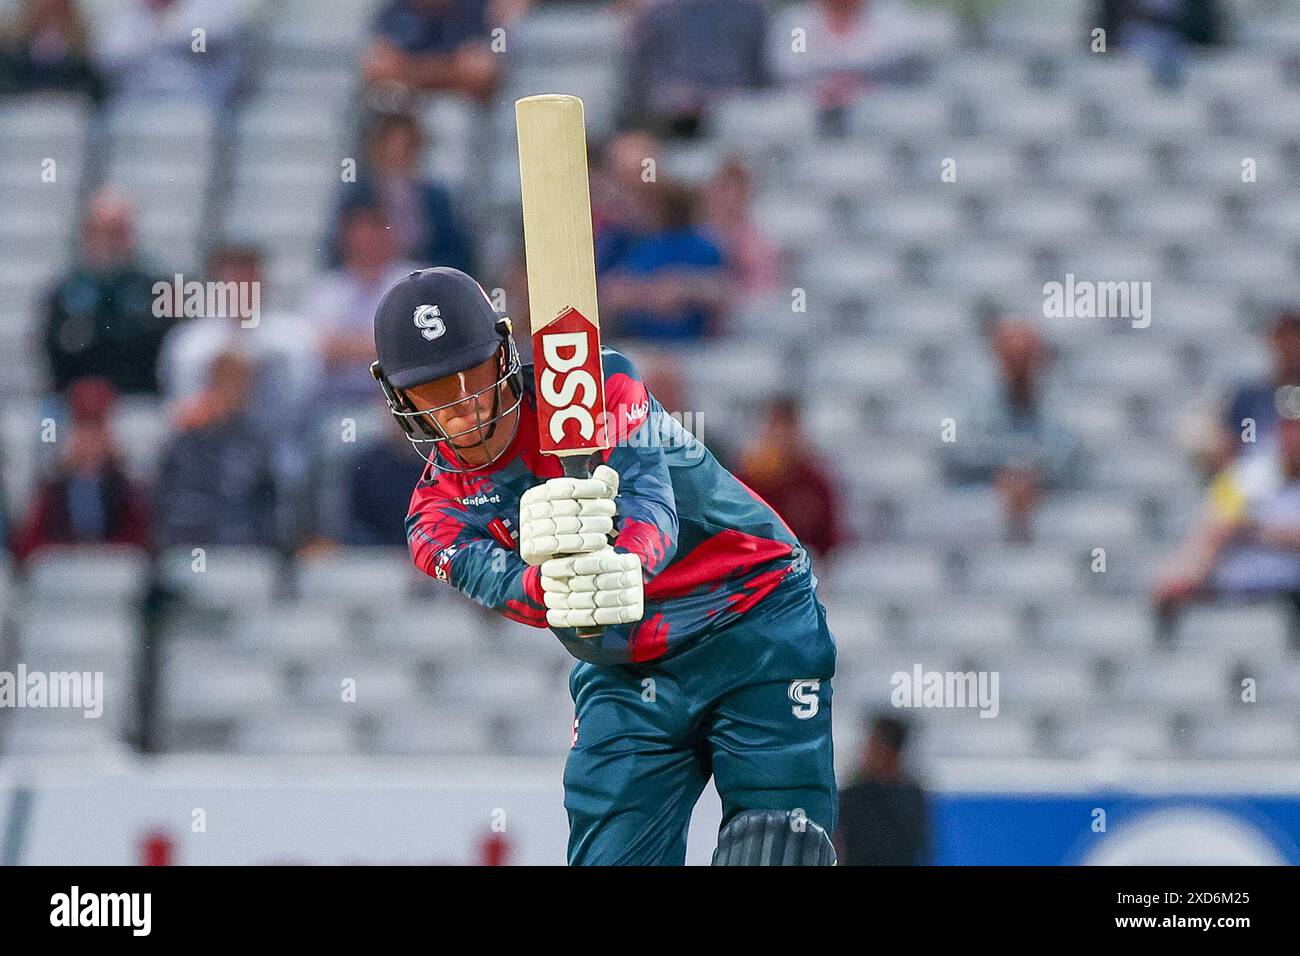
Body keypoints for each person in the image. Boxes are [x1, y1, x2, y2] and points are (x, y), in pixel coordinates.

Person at [372, 267, 837, 865]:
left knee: (779, 848)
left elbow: (650, 498)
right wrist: (558, 582)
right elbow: (510, 587)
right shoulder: (434, 519)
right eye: (433, 392)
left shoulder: (590, 384)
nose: (460, 408)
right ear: (399, 397)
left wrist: (625, 562)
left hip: (754, 616)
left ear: (504, 353)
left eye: (471, 376)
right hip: (625, 664)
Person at [1155, 409, 1300, 641]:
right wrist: (1185, 574)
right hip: (1242, 594)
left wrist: (1259, 531)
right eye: (1289, 428)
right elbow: (1217, 528)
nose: (1294, 438)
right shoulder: (1247, 477)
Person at [942, 316, 1084, 542]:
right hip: (983, 508)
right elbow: (958, 454)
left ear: (1040, 356)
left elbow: (1070, 458)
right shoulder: (972, 408)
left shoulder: (1061, 409)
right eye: (1012, 354)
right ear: (998, 354)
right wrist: (1007, 474)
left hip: (1047, 507)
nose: (1019, 362)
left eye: (1026, 354)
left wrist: (1028, 475)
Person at [41, 188, 170, 395]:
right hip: (79, 405)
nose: (108, 241)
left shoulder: (154, 288)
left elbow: (154, 350)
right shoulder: (66, 290)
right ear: (87, 233)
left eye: (117, 231)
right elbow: (57, 349)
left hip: (139, 400)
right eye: (100, 231)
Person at [12, 376, 150, 562]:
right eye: (82, 428)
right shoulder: (52, 489)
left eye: (96, 429)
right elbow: (29, 547)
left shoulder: (126, 489)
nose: (89, 439)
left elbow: (142, 544)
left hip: (111, 570)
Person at [301, 204, 423, 408]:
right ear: (345, 241)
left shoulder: (414, 279)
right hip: (339, 400)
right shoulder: (328, 289)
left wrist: (350, 345)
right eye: (360, 236)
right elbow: (323, 349)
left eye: (375, 234)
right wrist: (389, 346)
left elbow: (422, 341)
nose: (368, 244)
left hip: (406, 394)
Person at [153, 352, 278, 549]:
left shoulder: (256, 443)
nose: (235, 392)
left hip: (243, 549)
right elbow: (166, 502)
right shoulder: (186, 440)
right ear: (212, 384)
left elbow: (268, 507)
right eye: (227, 383)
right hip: (189, 544)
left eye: (242, 384)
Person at [326, 112, 476, 273]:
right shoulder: (358, 195)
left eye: (405, 147)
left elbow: (455, 251)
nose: (397, 154)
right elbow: (338, 249)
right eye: (391, 146)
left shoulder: (436, 198)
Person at [598, 180, 730, 343]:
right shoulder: (647, 245)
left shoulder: (705, 246)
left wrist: (686, 289)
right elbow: (615, 291)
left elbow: (722, 293)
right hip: (645, 344)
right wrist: (647, 294)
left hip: (696, 346)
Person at [622, 0, 770, 138]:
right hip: (672, 115)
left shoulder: (750, 13)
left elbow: (760, 78)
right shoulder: (660, 14)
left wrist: (720, 98)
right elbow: (644, 79)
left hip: (735, 111)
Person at [736, 395, 843, 561]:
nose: (781, 437)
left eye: (787, 427)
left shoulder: (815, 483)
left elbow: (829, 544)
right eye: (775, 426)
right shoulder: (746, 482)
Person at [834, 713, 929, 865]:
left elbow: (919, 848)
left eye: (872, 745)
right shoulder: (852, 796)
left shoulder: (910, 798)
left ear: (892, 751)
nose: (865, 751)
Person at [361, 0, 501, 103]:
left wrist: (407, 70)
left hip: (462, 107)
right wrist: (452, 71)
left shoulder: (480, 9)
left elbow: (483, 73)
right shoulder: (393, 9)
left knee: (452, 119)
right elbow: (376, 70)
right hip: (402, 104)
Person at [1212, 310, 1300, 473]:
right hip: (1258, 489)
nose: (1291, 347)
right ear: (1273, 340)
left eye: (1295, 338)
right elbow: (1231, 452)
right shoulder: (1249, 399)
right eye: (1284, 338)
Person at [700, 157, 781, 296]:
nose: (726, 198)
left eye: (734, 190)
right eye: (721, 188)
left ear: (746, 195)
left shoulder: (756, 241)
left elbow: (763, 290)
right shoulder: (694, 232)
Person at [0, 0, 104, 102]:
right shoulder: (10, 58)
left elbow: (93, 94)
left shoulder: (83, 63)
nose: (50, 12)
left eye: (57, 10)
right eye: (44, 9)